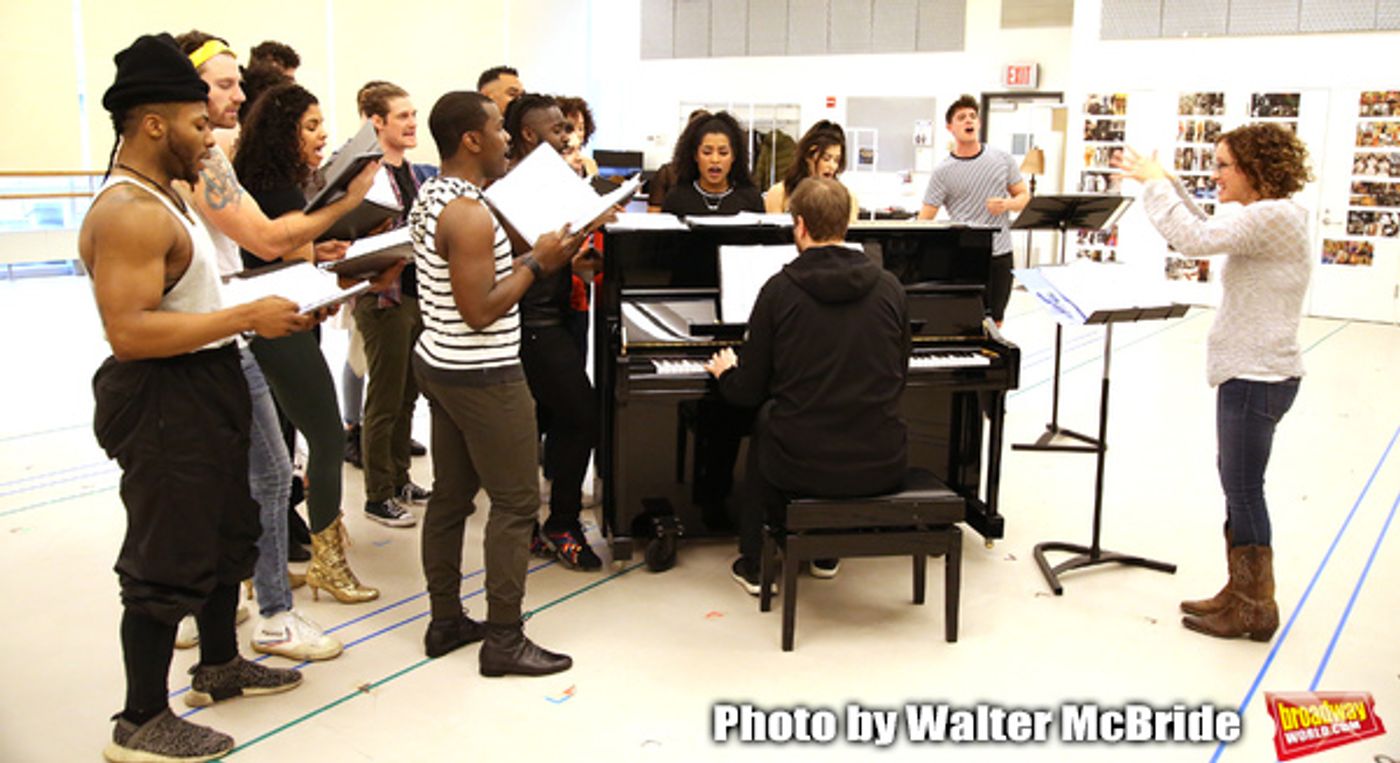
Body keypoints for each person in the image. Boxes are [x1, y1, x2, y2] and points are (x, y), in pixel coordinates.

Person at [85, 33, 304, 762]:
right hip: (163, 395)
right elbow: (131, 331)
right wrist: (248, 317)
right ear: (154, 124)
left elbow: (190, 295)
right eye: (197, 124)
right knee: (164, 554)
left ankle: (217, 665)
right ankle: (140, 719)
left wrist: (276, 301)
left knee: (224, 530)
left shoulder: (165, 198)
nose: (209, 138)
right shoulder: (127, 212)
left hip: (205, 379)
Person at [172, 30, 378, 655]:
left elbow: (255, 244)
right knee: (224, 477)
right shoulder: (180, 163)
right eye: (227, 84)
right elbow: (264, 239)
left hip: (229, 328)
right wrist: (345, 201)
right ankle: (217, 599)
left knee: (262, 473)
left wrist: (317, 243)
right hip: (199, 337)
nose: (243, 94)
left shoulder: (208, 153)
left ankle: (266, 608)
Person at [1116, 123, 1313, 642]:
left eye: (1224, 165)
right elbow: (1206, 222)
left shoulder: (1272, 216)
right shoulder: (1270, 216)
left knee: (1244, 491)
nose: (1217, 174)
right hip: (1253, 372)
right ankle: (1240, 589)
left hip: (1256, 375)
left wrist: (1156, 185)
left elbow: (1193, 238)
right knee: (1238, 486)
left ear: (1255, 170)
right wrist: (1169, 181)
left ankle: (1254, 607)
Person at [410, 90, 585, 674]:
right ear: (471, 139)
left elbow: (480, 265)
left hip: (440, 364)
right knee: (513, 503)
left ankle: (445, 620)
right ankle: (505, 639)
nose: (508, 138)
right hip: (481, 371)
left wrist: (542, 250)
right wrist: (538, 263)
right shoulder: (466, 211)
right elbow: (481, 309)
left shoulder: (437, 194)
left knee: (452, 498)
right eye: (498, 129)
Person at [704, 178, 910, 592]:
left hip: (801, 467)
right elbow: (899, 375)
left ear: (798, 226)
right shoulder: (890, 288)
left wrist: (726, 371)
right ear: (847, 224)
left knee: (768, 418)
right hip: (881, 461)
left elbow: (746, 391)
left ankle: (755, 564)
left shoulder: (779, 291)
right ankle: (824, 552)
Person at [234, 82, 380, 604]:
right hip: (280, 329)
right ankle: (328, 562)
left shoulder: (251, 183)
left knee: (273, 455)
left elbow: (277, 257)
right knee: (321, 436)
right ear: (284, 132)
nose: (323, 137)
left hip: (266, 326)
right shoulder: (282, 193)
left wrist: (319, 253)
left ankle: (260, 565)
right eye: (312, 126)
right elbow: (281, 262)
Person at [504, 93, 603, 571]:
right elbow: (530, 257)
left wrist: (579, 259)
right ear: (528, 134)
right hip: (531, 323)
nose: (568, 136)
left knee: (552, 419)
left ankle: (532, 526)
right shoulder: (515, 186)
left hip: (555, 314)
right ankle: (560, 522)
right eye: (558, 129)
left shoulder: (552, 180)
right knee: (581, 414)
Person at [352, 80, 436, 528]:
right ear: (376, 121)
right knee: (383, 400)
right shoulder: (362, 177)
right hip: (383, 297)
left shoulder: (420, 173)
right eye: (402, 116)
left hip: (416, 293)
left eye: (412, 114)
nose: (411, 122)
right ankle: (377, 493)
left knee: (407, 396)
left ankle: (401, 477)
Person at [917, 95, 1030, 325]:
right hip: (965, 256)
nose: (968, 121)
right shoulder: (943, 171)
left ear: (978, 123)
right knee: (968, 321)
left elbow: (1024, 197)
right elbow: (925, 219)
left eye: (972, 116)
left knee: (995, 322)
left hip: (1000, 254)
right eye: (961, 118)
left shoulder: (1002, 159)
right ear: (950, 127)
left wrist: (1007, 204)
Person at [661, 111, 764, 216]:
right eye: (707, 152)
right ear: (695, 155)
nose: (715, 159)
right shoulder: (676, 198)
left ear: (734, 156)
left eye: (723, 153)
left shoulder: (751, 199)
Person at [763, 120, 859, 221]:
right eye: (826, 158)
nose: (832, 166)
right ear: (808, 155)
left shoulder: (848, 199)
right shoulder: (780, 194)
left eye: (836, 160)